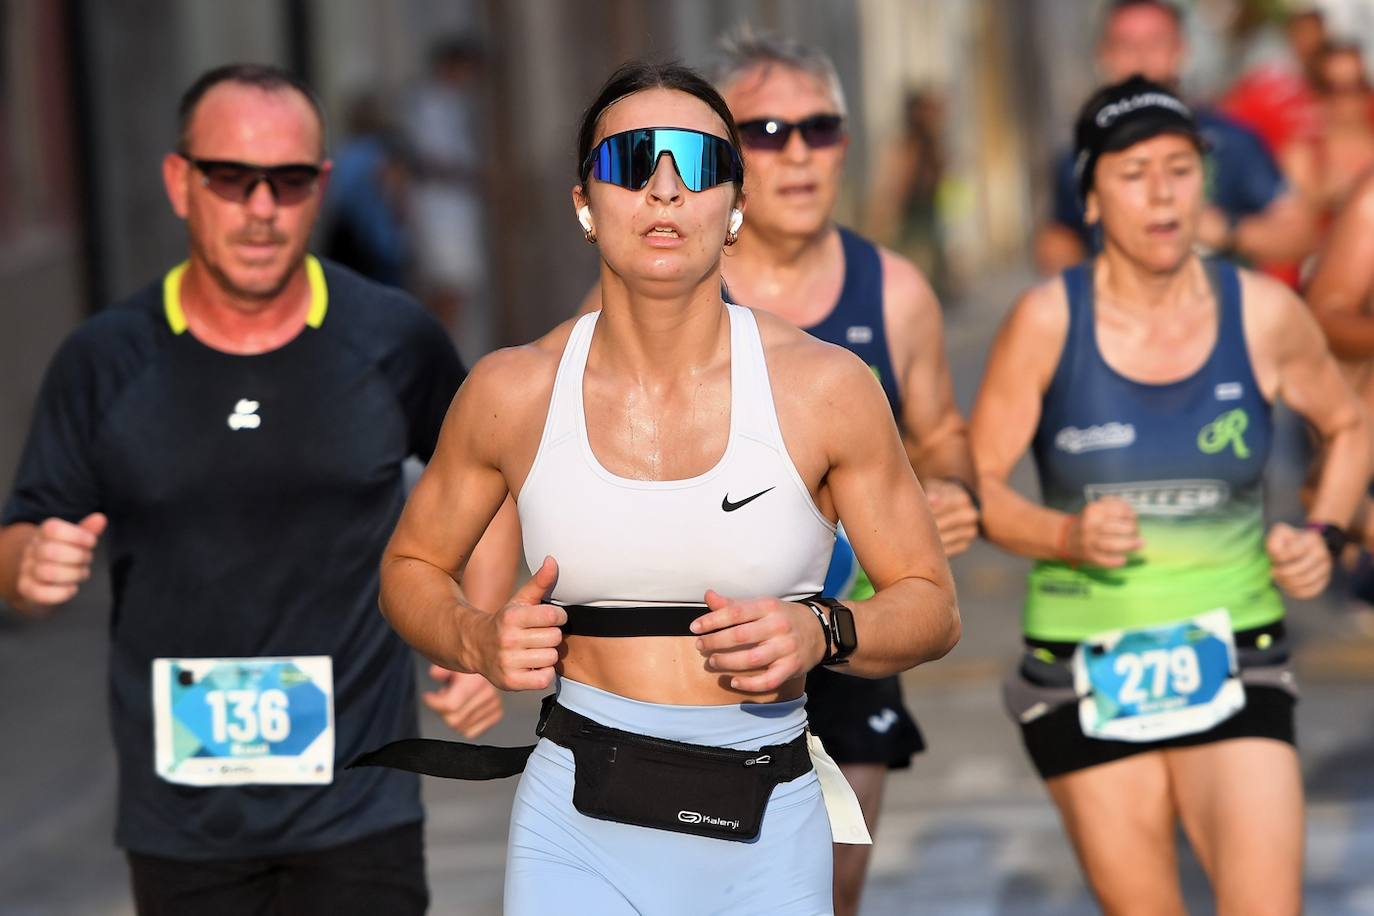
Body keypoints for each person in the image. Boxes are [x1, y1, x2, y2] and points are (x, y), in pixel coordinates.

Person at [374, 61, 960, 915]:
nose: (664, 189)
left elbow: (933, 604)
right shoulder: (513, 390)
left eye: (696, 162)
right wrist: (474, 639)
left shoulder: (825, 387)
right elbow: (409, 566)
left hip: (766, 824)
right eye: (631, 161)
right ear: (585, 202)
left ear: (735, 208)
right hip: (575, 827)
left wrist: (823, 628)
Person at [0, 64, 516, 915]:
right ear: (181, 182)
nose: (261, 209)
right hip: (183, 822)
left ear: (319, 187)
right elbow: (23, 529)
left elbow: (486, 482)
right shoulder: (106, 360)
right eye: (233, 180)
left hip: (362, 801)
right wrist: (29, 568)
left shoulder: (391, 339)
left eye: (286, 182)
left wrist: (475, 629)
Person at [973, 75, 1369, 914]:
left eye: (1180, 168)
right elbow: (982, 489)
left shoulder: (1261, 312)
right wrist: (1064, 538)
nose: (1162, 193)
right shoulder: (1046, 321)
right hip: (1085, 670)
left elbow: (1350, 423)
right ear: (1088, 196)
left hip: (1234, 658)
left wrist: (1324, 532)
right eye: (1132, 172)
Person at [704, 30, 977, 916]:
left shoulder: (894, 291)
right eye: (768, 129)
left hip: (852, 643)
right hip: (705, 655)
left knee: (824, 898)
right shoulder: (666, 293)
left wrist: (953, 492)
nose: (797, 153)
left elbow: (939, 433)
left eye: (818, 128)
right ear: (724, 151)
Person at [1035, 0, 1315, 280]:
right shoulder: (1080, 153)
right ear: (1103, 55)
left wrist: (1224, 230)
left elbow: (1300, 235)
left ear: (1182, 50)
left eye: (1155, 42)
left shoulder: (1232, 140)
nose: (1141, 57)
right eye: (1126, 44)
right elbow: (1061, 236)